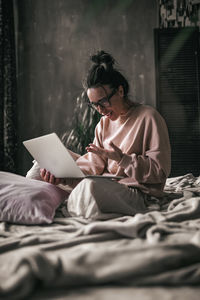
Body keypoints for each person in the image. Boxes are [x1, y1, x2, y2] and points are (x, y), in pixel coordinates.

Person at [26, 50, 171, 219]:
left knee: (90, 187)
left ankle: (67, 201)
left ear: (120, 91)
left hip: (136, 192)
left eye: (103, 101)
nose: (100, 110)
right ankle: (36, 208)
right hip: (105, 182)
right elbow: (95, 166)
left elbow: (160, 172)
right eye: (94, 105)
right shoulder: (104, 123)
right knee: (38, 169)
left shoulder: (149, 117)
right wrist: (62, 178)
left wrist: (122, 159)